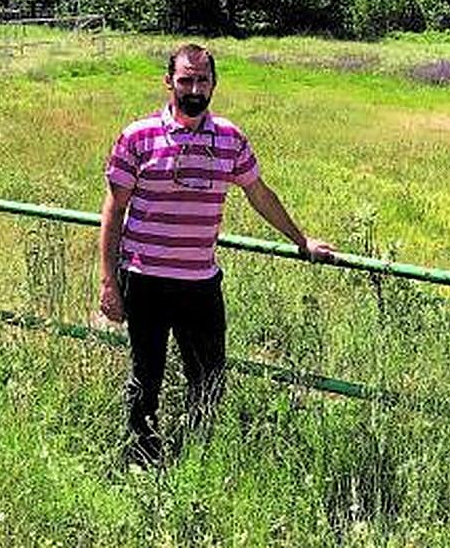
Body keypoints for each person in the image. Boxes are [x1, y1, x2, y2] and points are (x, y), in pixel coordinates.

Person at [99, 43, 335, 464]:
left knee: (208, 379)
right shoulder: (137, 136)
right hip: (145, 277)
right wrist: (108, 282)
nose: (194, 89)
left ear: (214, 84)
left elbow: (259, 194)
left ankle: (195, 458)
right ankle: (139, 457)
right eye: (185, 80)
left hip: (200, 283)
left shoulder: (229, 139)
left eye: (202, 80)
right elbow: (114, 211)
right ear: (169, 81)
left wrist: (302, 241)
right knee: (146, 376)